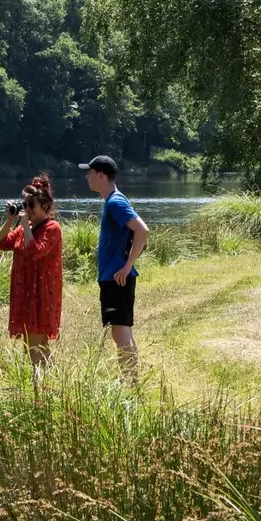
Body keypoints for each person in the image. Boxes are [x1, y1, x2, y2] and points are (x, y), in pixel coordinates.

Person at [81, 154, 147, 382]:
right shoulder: (113, 200)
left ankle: (129, 381)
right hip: (114, 277)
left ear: (101, 175)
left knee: (120, 332)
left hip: (117, 278)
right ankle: (131, 379)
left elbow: (142, 231)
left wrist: (127, 265)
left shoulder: (116, 202)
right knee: (122, 330)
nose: (87, 177)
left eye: (90, 173)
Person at [0, 173, 63, 377]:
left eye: (31, 205)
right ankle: (52, 383)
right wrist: (10, 220)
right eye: (25, 204)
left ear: (45, 207)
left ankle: (38, 392)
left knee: (34, 347)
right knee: (36, 346)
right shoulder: (25, 229)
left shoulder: (52, 228)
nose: (28, 209)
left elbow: (35, 251)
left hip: (41, 295)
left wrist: (24, 225)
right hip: (25, 293)